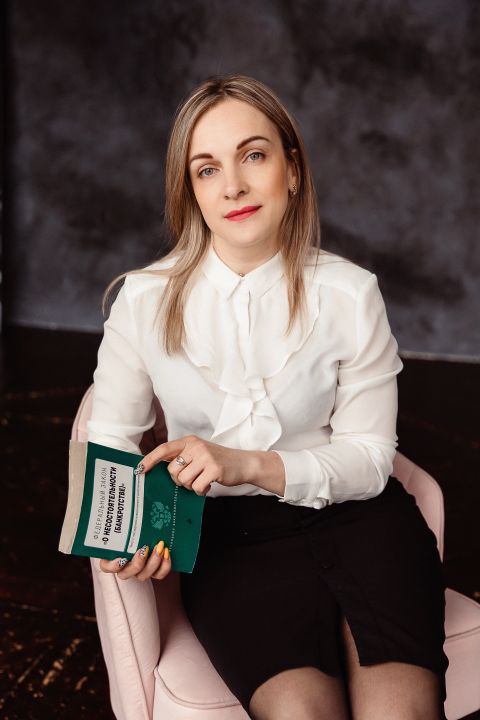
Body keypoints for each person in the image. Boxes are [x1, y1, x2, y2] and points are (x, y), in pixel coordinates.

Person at [87, 74, 449, 720]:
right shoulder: (142, 301)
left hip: (363, 522)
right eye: (207, 169)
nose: (232, 186)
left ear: (293, 169)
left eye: (252, 155)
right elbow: (110, 438)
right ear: (190, 191)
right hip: (233, 548)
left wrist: (248, 464)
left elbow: (371, 459)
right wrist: (133, 532)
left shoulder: (351, 293)